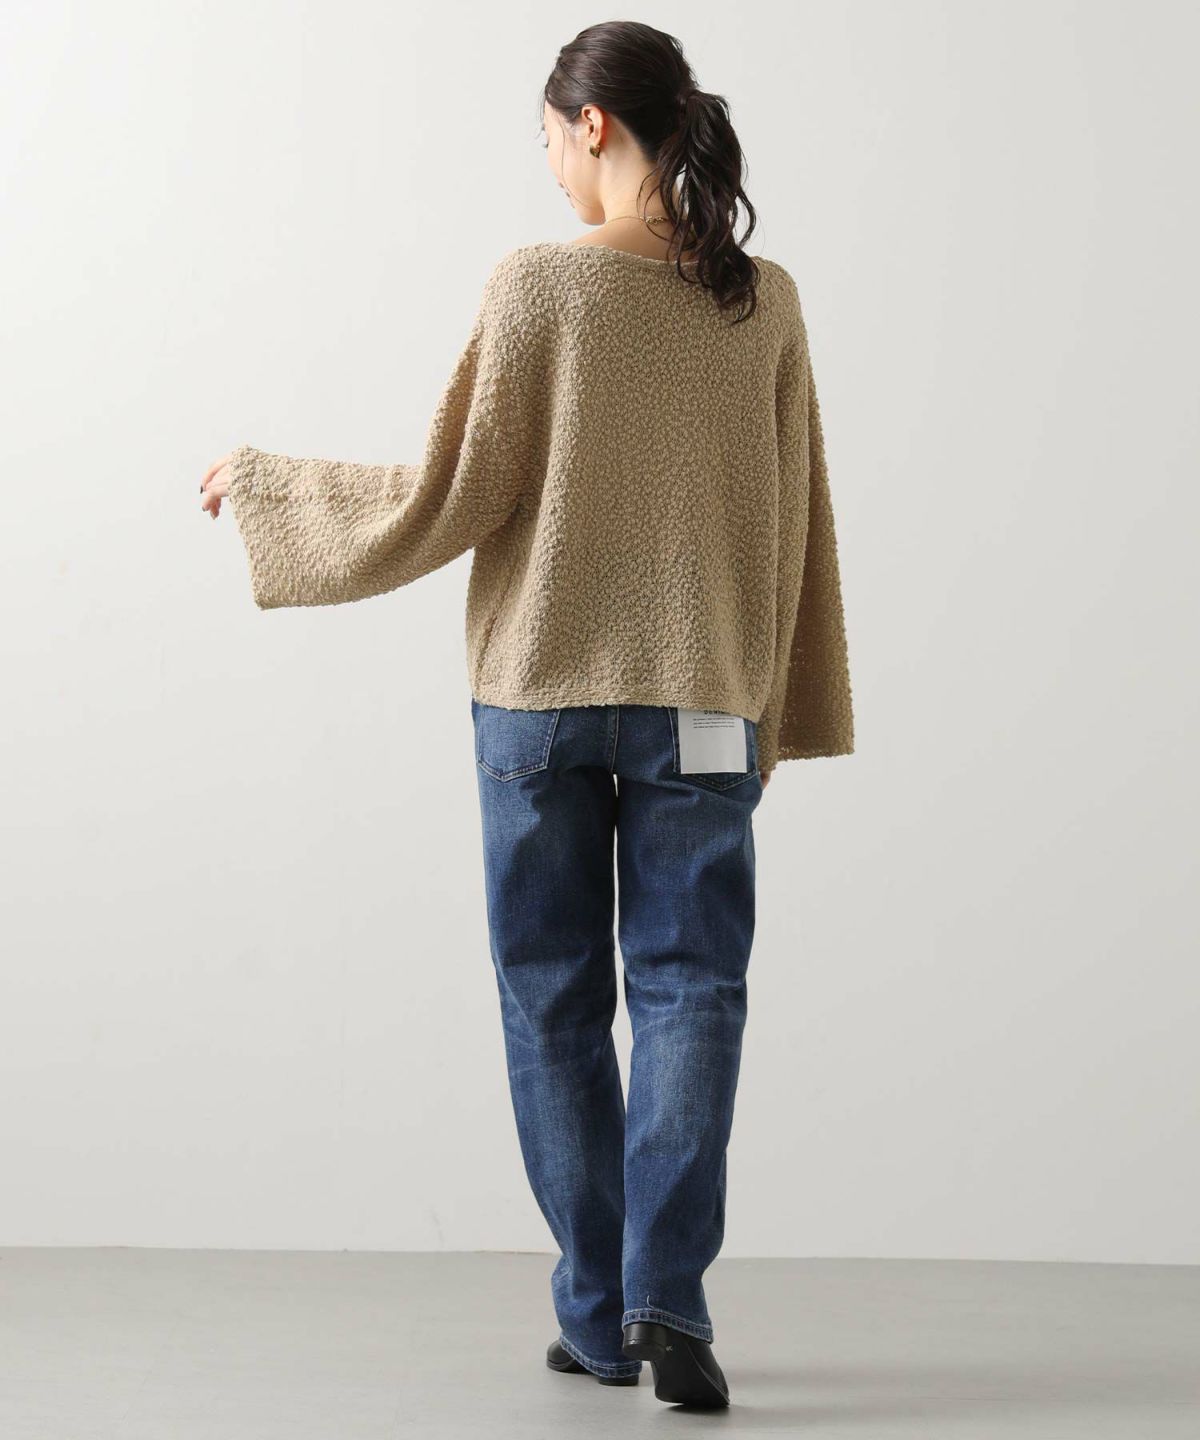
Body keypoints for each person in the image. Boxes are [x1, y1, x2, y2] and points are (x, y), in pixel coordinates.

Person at [200, 19, 853, 1410]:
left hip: (538, 701)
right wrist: (769, 704)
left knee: (554, 998)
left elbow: (453, 491)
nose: (550, 167)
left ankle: (600, 1314)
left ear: (593, 125)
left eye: (550, 140)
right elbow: (795, 520)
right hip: (703, 702)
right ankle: (670, 1304)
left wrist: (269, 489)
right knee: (693, 992)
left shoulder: (538, 287)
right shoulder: (766, 302)